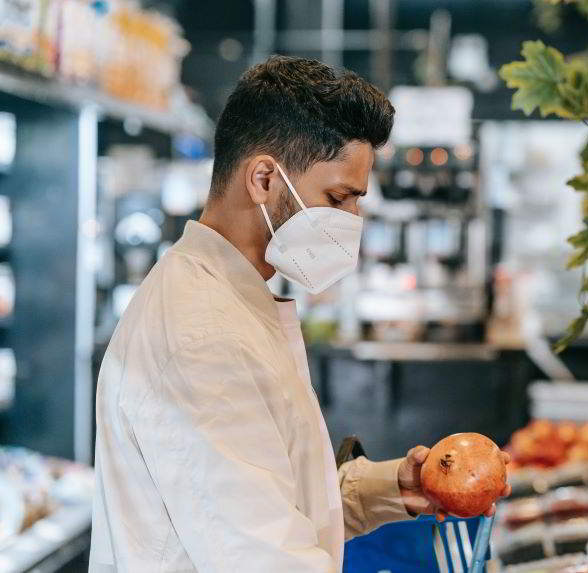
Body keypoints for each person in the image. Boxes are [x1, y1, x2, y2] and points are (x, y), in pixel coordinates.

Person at [90, 55, 510, 572]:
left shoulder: (233, 298)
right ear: (264, 179)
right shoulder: (201, 336)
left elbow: (268, 497)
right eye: (339, 198)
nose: (352, 222)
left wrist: (386, 489)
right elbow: (264, 557)